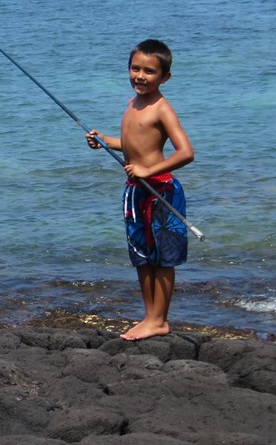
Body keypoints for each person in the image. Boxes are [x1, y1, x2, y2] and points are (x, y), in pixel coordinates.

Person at [86, 38, 195, 341]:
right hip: (135, 191)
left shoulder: (162, 109)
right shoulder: (133, 103)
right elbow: (132, 144)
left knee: (163, 259)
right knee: (142, 256)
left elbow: (186, 152)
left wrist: (149, 170)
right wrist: (104, 140)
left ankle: (159, 319)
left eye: (149, 71)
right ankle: (149, 317)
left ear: (165, 77)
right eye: (135, 68)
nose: (140, 76)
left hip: (160, 191)